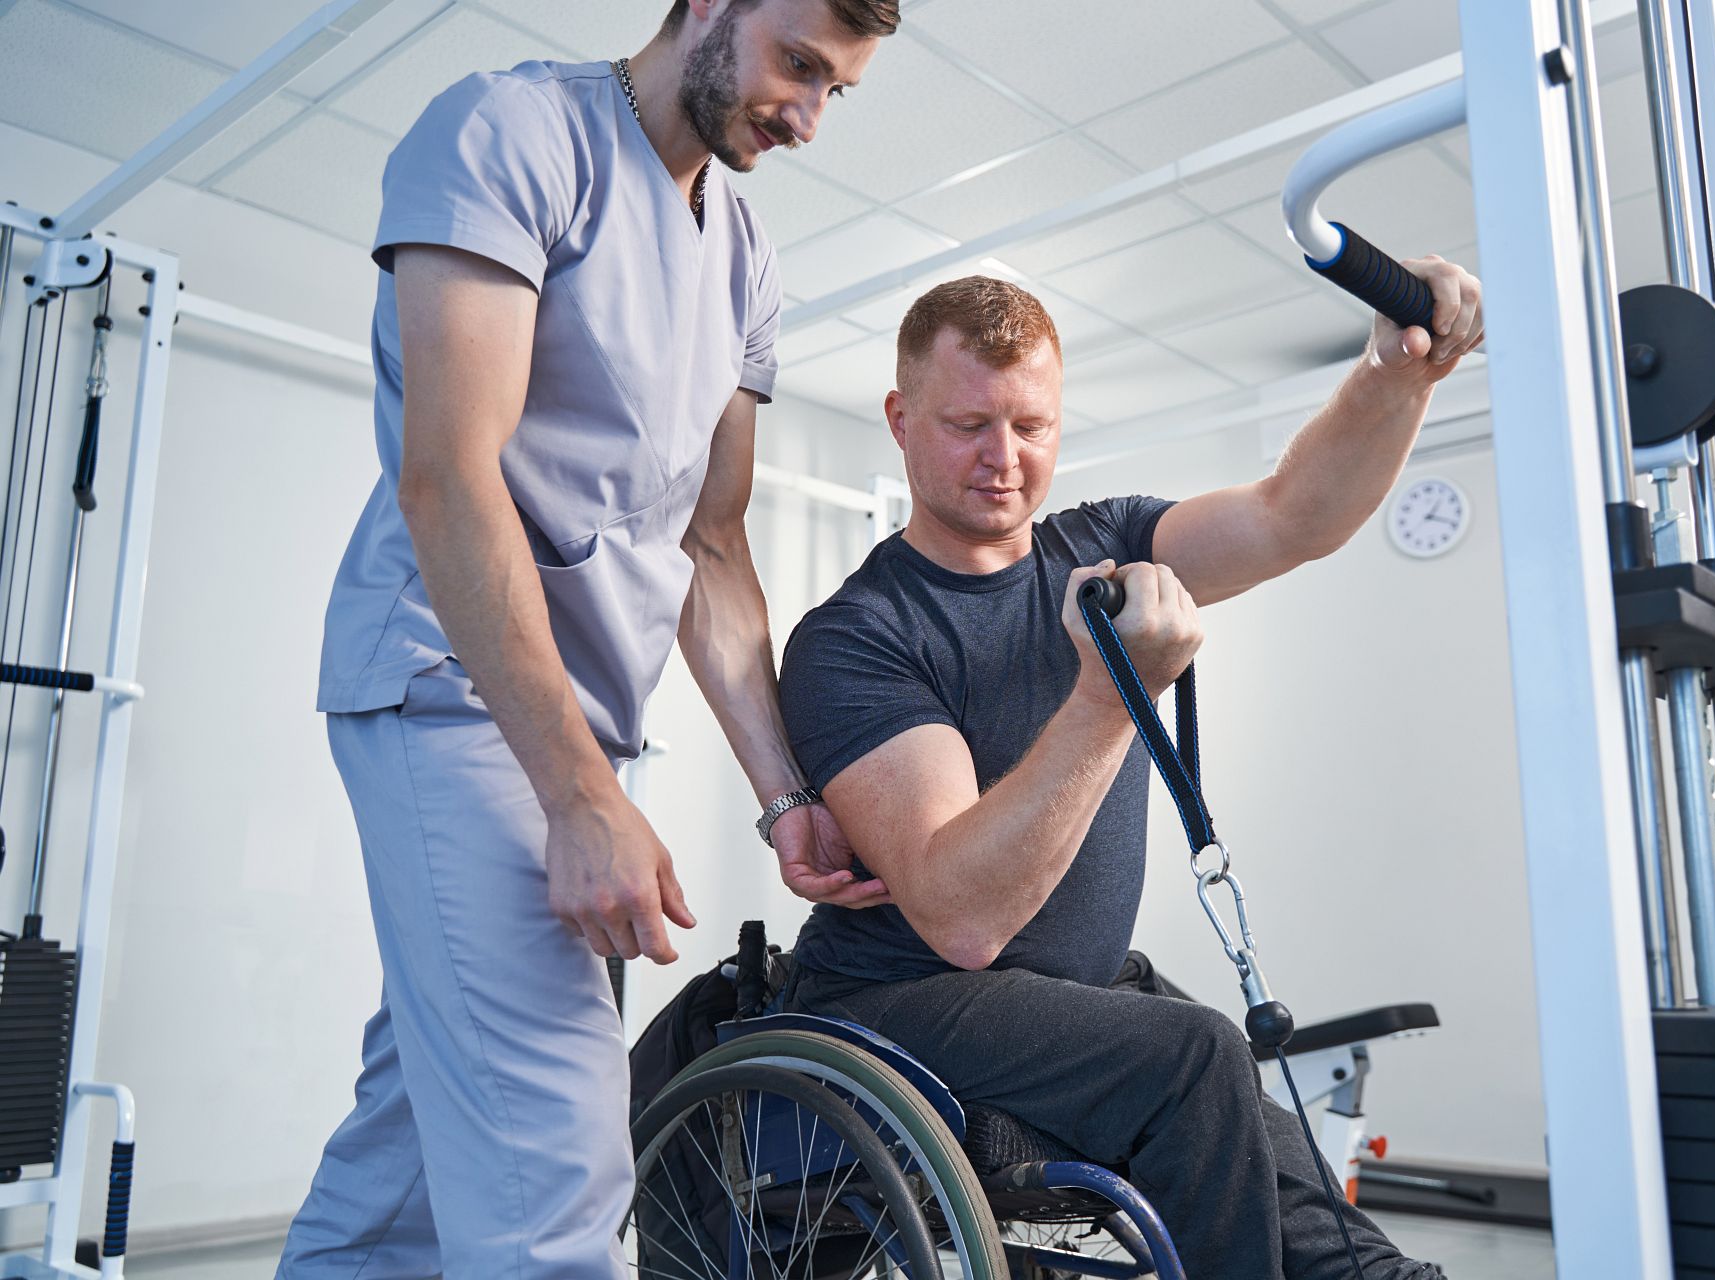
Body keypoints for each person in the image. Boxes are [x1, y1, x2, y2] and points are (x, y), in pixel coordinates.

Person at [277, 2, 900, 1275]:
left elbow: (711, 549)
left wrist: (786, 795)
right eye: (797, 65)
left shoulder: (746, 260)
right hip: (450, 689)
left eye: (836, 90)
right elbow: (449, 477)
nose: (808, 118)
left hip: (578, 736)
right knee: (558, 1164)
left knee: (407, 1168)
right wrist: (579, 796)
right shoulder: (512, 134)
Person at [777, 272, 1485, 1279]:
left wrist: (1397, 373)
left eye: (1031, 425)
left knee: (1310, 1204)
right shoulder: (858, 637)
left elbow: (1292, 516)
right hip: (898, 997)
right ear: (900, 419)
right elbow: (963, 919)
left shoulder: (1102, 543)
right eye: (968, 424)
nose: (1004, 458)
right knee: (1195, 1052)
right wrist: (1116, 693)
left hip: (1076, 985)